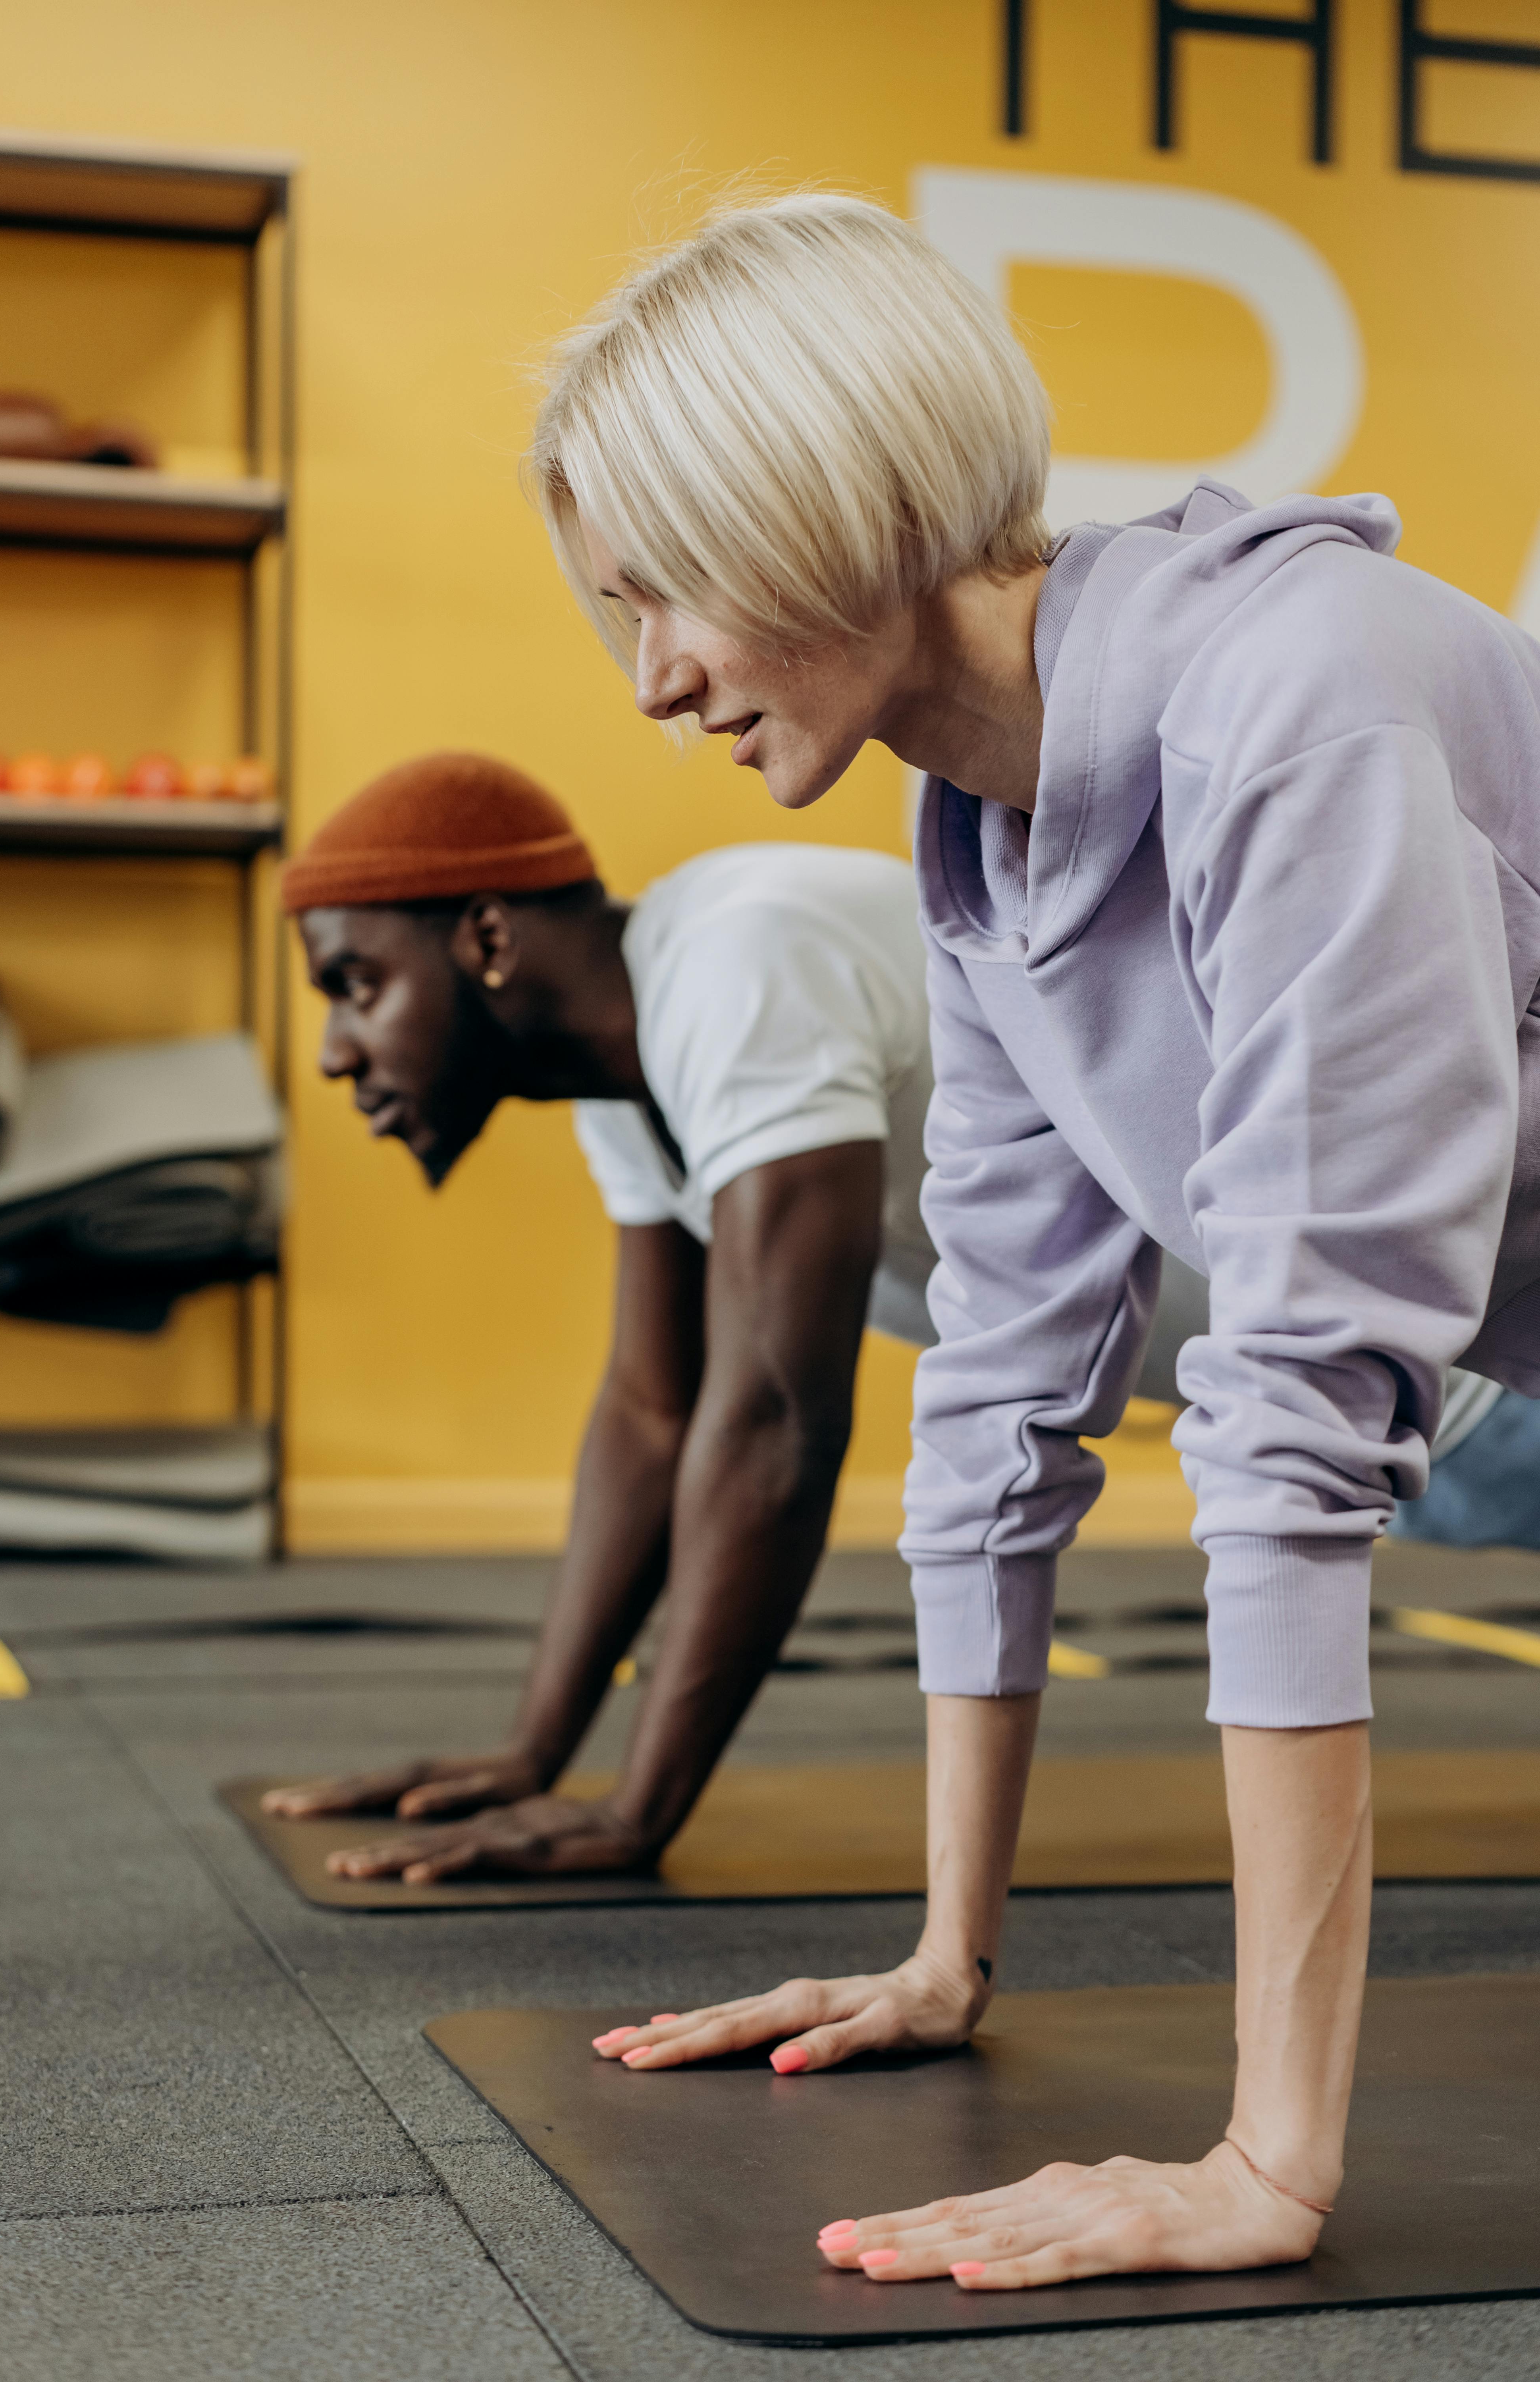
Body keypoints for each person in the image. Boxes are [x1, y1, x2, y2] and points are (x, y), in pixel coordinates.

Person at [523, 193, 1540, 2291]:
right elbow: (1000, 1385)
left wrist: (1272, 2159)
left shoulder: (1298, 692)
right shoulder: (978, 831)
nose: (654, 682)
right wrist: (943, 1954)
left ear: (826, 504)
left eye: (668, 598)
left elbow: (1297, 1393)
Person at [264, 750, 955, 1880]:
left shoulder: (741, 961)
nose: (338, 1052)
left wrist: (639, 1811)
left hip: (1311, 1300)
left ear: (487, 940)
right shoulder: (632, 1088)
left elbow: (779, 1418)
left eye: (356, 985)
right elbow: (652, 1411)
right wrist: (536, 1749)